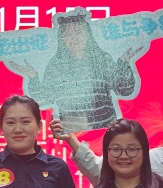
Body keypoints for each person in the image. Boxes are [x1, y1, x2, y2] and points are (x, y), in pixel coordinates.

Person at [8, 9, 138, 132]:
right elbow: (43, 99)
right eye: (67, 34)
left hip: (105, 131)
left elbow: (124, 90)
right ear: (62, 38)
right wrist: (33, 77)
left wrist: (123, 64)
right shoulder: (56, 65)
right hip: (72, 134)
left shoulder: (102, 58)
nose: (74, 38)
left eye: (78, 32)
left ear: (88, 34)